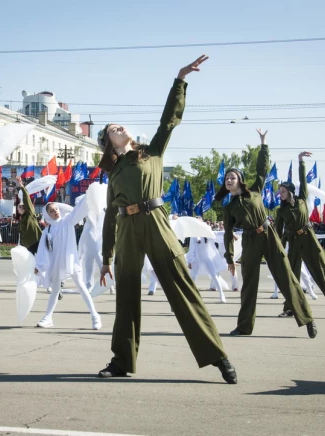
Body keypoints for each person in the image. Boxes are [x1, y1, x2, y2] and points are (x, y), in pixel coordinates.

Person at [97, 55, 237, 384]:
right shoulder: (114, 173)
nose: (118, 127)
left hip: (157, 222)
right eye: (111, 130)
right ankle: (121, 361)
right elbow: (108, 217)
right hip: (128, 232)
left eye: (119, 125)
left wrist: (180, 81)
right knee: (126, 298)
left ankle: (218, 356)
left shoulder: (152, 152)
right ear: (110, 145)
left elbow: (169, 121)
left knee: (183, 292)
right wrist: (106, 258)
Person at [216, 129, 317, 338]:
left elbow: (261, 169)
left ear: (240, 180)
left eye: (232, 176)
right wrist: (229, 257)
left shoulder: (254, 191)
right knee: (248, 285)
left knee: (287, 278)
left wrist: (263, 144)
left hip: (269, 236)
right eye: (227, 178)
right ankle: (244, 327)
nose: (229, 179)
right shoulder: (229, 208)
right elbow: (227, 233)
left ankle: (307, 318)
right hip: (250, 241)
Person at [275, 151, 325, 319]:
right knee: (292, 275)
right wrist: (279, 249)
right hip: (293, 241)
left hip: (309, 238)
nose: (280, 193)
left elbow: (303, 180)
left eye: (282, 191)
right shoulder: (280, 210)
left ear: (290, 192)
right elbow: (278, 232)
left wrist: (300, 161)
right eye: (279, 191)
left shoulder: (301, 200)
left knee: (322, 270)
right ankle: (290, 308)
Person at [34, 200, 101, 330]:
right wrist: (39, 266)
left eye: (56, 209)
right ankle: (48, 317)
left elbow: (78, 210)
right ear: (47, 215)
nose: (55, 212)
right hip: (57, 263)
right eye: (51, 211)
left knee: (81, 287)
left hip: (71, 261)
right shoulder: (47, 231)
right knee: (55, 290)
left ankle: (95, 316)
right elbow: (43, 250)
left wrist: (89, 195)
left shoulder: (67, 221)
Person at [15, 177, 43, 255]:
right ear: (18, 210)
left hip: (37, 242)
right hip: (28, 246)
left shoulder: (30, 213)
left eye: (23, 206)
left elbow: (26, 198)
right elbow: (22, 234)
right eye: (20, 207)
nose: (22, 207)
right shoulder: (21, 219)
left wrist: (21, 186)